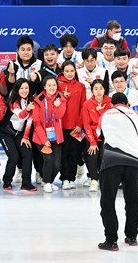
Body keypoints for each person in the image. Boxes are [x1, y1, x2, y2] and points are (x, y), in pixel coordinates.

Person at [96, 92, 138, 251]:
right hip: (134, 161)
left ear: (112, 104)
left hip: (112, 160)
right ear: (126, 103)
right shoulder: (135, 114)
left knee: (107, 200)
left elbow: (99, 135)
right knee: (132, 199)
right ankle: (132, 236)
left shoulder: (105, 114)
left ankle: (111, 240)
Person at [0, 78, 37, 191]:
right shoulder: (12, 101)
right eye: (22, 88)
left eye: (27, 88)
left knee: (27, 152)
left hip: (19, 133)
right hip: (6, 133)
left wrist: (25, 137)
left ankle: (26, 182)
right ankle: (7, 180)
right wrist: (28, 109)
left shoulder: (30, 101)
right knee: (14, 156)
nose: (24, 90)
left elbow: (29, 121)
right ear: (17, 89)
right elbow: (20, 115)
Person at [31, 76, 67, 193]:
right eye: (49, 85)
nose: (52, 88)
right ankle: (46, 182)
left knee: (57, 164)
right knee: (49, 159)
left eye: (54, 85)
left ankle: (50, 181)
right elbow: (36, 122)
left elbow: (58, 116)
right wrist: (44, 139)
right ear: (44, 86)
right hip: (40, 136)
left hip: (56, 136)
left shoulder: (61, 98)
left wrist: (56, 106)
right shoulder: (38, 99)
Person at [57, 61, 86, 190]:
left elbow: (83, 107)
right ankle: (64, 179)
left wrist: (80, 125)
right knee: (63, 154)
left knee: (74, 154)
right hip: (61, 126)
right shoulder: (57, 85)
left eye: (72, 71)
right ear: (62, 71)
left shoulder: (80, 86)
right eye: (67, 71)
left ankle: (72, 178)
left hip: (76, 127)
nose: (69, 73)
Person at [81, 79, 112, 192]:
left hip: (106, 135)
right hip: (92, 135)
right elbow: (86, 124)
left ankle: (104, 178)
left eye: (101, 88)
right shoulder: (87, 104)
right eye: (96, 89)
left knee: (104, 156)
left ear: (104, 90)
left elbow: (108, 121)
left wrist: (101, 111)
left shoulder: (110, 102)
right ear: (92, 90)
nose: (98, 91)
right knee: (92, 154)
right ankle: (94, 179)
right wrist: (92, 142)